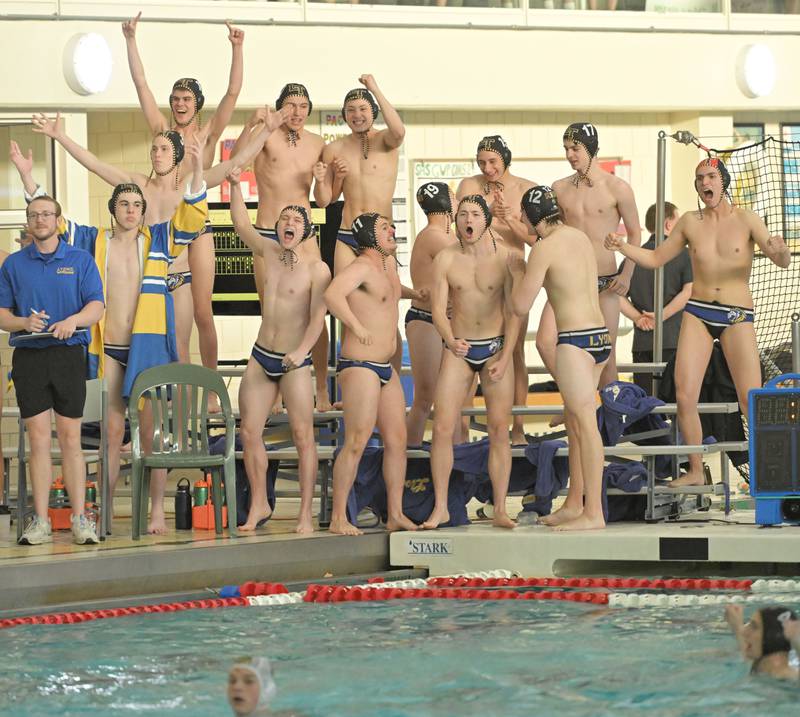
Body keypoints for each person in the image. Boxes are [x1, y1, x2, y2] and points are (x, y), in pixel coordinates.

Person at [11, 135, 210, 536]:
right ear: (113, 209)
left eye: (137, 205)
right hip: (111, 349)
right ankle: (99, 510)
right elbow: (52, 221)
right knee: (112, 435)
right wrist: (30, 179)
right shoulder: (93, 241)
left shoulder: (158, 239)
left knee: (153, 436)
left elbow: (192, 218)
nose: (132, 211)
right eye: (124, 204)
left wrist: (199, 166)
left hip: (148, 348)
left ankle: (155, 509)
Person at [605, 157, 791, 486]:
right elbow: (655, 258)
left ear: (723, 182)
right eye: (699, 178)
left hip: (736, 315)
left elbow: (780, 261)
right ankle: (694, 470)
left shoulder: (747, 219)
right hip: (698, 311)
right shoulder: (690, 222)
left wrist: (781, 250)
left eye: (710, 177)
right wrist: (624, 246)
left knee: (750, 397)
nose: (704, 183)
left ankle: (771, 471)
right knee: (685, 394)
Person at [122, 13, 245, 410]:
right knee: (170, 318)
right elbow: (141, 85)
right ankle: (170, 389)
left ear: (197, 105)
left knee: (203, 310)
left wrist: (237, 48)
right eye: (175, 99)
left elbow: (232, 94)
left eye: (186, 100)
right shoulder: (162, 130)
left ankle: (211, 386)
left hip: (197, 227)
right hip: (165, 231)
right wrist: (131, 39)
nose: (178, 105)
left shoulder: (207, 134)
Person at [228, 167, 331, 533]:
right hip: (262, 354)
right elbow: (241, 224)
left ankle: (304, 513)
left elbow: (317, 321)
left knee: (304, 436)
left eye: (295, 219)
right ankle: (259, 503)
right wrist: (235, 185)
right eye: (283, 218)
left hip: (294, 360)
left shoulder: (318, 270)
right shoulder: (268, 251)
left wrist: (302, 352)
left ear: (307, 231)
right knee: (249, 432)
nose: (288, 223)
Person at [0, 195, 104, 545]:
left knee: (71, 439)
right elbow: (2, 315)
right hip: (29, 358)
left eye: (47, 214)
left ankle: (80, 520)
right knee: (39, 441)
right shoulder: (14, 265)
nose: (40, 219)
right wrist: (23, 322)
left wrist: (73, 321)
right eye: (34, 215)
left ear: (58, 220)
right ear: (28, 222)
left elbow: (96, 306)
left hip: (68, 355)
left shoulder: (79, 259)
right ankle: (41, 521)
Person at [509, 186, 610, 531]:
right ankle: (574, 502)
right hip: (599, 339)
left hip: (575, 342)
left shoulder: (543, 247)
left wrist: (516, 272)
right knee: (577, 423)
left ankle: (593, 513)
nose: (521, 220)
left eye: (523, 215)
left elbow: (520, 305)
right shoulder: (578, 236)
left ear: (532, 217)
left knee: (585, 426)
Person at [233, 83, 332, 411]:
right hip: (267, 230)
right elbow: (237, 161)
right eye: (291, 105)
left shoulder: (318, 144)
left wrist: (321, 178)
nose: (298, 112)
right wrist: (252, 124)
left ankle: (321, 386)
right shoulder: (267, 134)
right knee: (271, 310)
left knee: (316, 310)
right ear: (280, 107)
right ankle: (272, 389)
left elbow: (322, 200)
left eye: (304, 106)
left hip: (305, 237)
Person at [427, 195, 520, 530]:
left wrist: (507, 354)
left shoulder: (507, 258)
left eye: (474, 214)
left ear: (486, 220)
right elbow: (438, 308)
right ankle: (441, 507)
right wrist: (450, 339)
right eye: (462, 214)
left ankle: (499, 509)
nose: (467, 220)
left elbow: (514, 312)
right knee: (441, 428)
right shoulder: (445, 259)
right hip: (459, 349)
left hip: (495, 347)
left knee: (498, 430)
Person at [324, 213, 417, 536]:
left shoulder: (387, 267)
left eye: (392, 226)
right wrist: (356, 325)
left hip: (384, 367)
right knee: (357, 440)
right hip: (360, 365)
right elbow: (333, 295)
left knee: (397, 440)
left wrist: (418, 295)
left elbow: (389, 293)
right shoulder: (361, 267)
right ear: (368, 237)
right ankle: (338, 517)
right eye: (384, 228)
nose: (392, 230)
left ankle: (394, 514)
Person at [537, 123, 641, 394]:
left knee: (606, 360)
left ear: (591, 148)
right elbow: (548, 233)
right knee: (545, 342)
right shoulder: (559, 188)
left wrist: (626, 275)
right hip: (569, 283)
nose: (570, 154)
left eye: (575, 148)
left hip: (606, 283)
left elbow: (635, 234)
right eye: (566, 149)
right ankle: (576, 398)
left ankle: (610, 431)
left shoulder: (617, 188)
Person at [457, 136, 536, 445]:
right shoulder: (469, 187)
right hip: (474, 276)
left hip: (512, 274)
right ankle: (462, 431)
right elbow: (460, 229)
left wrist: (510, 220)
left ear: (506, 158)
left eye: (492, 161)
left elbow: (534, 240)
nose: (487, 168)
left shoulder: (526, 189)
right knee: (466, 351)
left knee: (515, 352)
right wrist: (487, 212)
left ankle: (517, 428)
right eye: (481, 162)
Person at [319, 75, 405, 276]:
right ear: (344, 115)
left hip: (380, 232)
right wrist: (339, 176)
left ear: (374, 111)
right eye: (351, 110)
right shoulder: (334, 148)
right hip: (348, 232)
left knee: (383, 295)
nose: (357, 114)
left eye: (363, 108)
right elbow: (330, 198)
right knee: (344, 293)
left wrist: (374, 89)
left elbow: (399, 132)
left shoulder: (386, 140)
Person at [620, 201, 692, 395]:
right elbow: (688, 292)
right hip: (674, 341)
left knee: (645, 405)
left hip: (642, 344)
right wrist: (661, 315)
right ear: (669, 224)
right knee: (677, 404)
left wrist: (638, 318)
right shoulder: (683, 255)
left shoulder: (633, 257)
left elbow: (615, 295)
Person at [405, 181, 456, 446]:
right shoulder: (436, 237)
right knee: (425, 398)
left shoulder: (441, 235)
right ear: (448, 202)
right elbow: (467, 264)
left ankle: (455, 458)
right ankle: (409, 459)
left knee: (449, 401)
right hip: (426, 320)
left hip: (444, 323)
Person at [725, 604, 799, 680]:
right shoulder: (765, 667)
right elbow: (747, 660)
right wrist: (737, 627)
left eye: (754, 627)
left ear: (772, 635)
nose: (745, 631)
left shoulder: (782, 674)